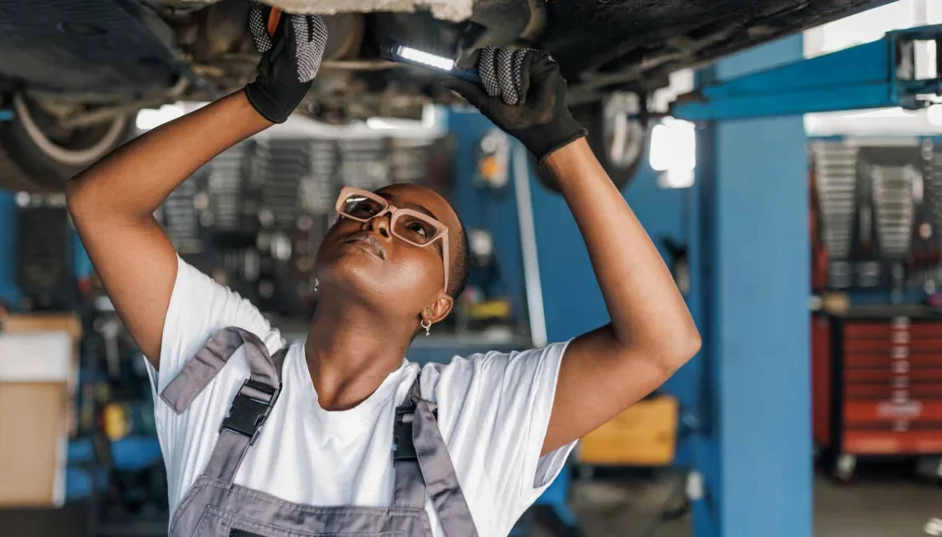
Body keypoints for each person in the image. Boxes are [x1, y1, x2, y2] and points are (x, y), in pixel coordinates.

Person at [67, 6, 700, 537]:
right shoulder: (228, 368)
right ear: (320, 252)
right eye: (368, 208)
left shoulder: (470, 417)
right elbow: (101, 208)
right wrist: (258, 105)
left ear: (437, 307)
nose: (379, 223)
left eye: (416, 230)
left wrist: (562, 145)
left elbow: (661, 343)